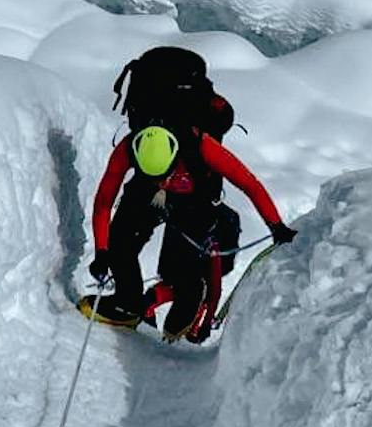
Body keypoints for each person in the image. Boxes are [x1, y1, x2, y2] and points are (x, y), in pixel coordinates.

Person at [88, 116, 293, 343]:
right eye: (155, 178)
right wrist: (102, 252)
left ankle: (191, 296)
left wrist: (276, 225)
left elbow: (249, 183)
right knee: (120, 242)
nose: (161, 182)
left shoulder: (200, 146)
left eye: (164, 175)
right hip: (146, 194)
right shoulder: (127, 148)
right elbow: (104, 202)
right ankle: (127, 305)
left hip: (194, 202)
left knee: (181, 272)